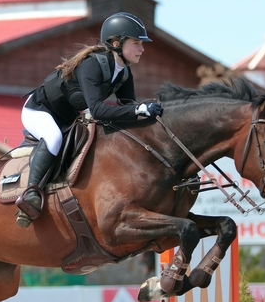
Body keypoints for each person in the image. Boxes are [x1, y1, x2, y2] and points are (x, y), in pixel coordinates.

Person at [15, 12, 163, 228]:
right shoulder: (92, 65)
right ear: (116, 43)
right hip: (39, 110)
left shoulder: (124, 73)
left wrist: (150, 114)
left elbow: (127, 108)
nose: (142, 49)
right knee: (54, 138)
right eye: (137, 43)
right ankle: (31, 194)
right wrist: (138, 110)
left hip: (69, 117)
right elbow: (98, 110)